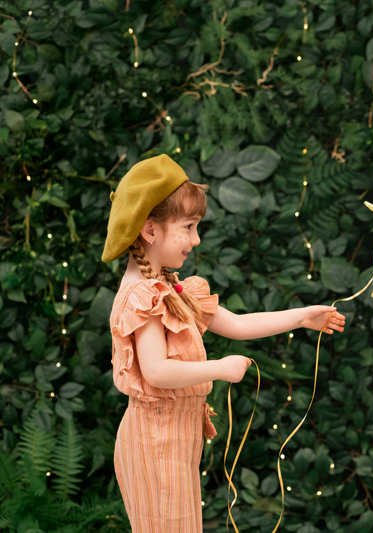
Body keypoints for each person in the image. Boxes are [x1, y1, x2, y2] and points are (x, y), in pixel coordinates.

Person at [101, 154, 345, 532]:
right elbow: (156, 370)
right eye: (188, 227)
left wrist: (301, 317)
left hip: (174, 444)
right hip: (154, 445)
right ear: (150, 230)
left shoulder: (170, 286)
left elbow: (237, 323)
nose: (196, 239)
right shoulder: (142, 296)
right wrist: (220, 368)